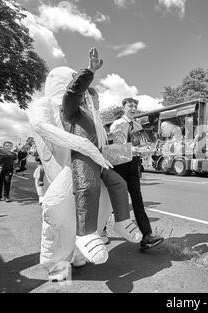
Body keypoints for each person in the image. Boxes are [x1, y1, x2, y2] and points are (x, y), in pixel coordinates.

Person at [61, 48, 143, 261]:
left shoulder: (96, 121)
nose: (98, 105)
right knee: (88, 185)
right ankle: (86, 233)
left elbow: (106, 149)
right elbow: (72, 92)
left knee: (119, 184)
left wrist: (133, 151)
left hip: (99, 158)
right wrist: (90, 70)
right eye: (94, 101)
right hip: (82, 156)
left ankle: (122, 221)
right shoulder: (73, 111)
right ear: (85, 100)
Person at [109, 97, 164, 251]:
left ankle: (147, 236)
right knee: (111, 202)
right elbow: (117, 148)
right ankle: (101, 230)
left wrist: (147, 150)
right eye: (130, 106)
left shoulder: (138, 125)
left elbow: (140, 145)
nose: (133, 108)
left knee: (137, 200)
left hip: (133, 165)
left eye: (135, 106)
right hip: (119, 166)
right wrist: (136, 150)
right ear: (123, 108)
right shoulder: (118, 124)